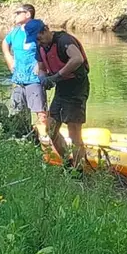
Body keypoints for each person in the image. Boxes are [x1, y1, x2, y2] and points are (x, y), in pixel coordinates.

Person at [36, 23, 91, 171]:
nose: (38, 42)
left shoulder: (64, 41)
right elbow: (41, 68)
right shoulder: (40, 45)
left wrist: (56, 76)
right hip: (61, 89)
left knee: (74, 133)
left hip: (76, 87)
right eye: (35, 40)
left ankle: (79, 173)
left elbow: (77, 59)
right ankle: (67, 164)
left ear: (46, 30)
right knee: (51, 128)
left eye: (39, 37)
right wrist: (43, 78)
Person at [1, 4, 47, 137]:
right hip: (18, 78)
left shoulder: (37, 29)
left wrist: (41, 66)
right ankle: (24, 138)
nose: (15, 15)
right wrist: (9, 58)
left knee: (40, 112)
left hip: (34, 78)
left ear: (28, 14)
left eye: (18, 12)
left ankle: (46, 141)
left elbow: (46, 45)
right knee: (18, 112)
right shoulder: (15, 31)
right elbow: (5, 43)